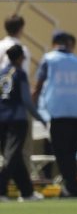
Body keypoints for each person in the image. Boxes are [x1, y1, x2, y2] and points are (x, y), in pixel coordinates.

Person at [31, 31, 77, 198]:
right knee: (72, 151)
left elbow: (39, 85)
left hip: (58, 112)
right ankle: (73, 186)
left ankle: (72, 187)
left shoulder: (49, 59)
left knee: (61, 153)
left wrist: (32, 106)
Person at [0, 44, 40, 201]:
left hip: (1, 119)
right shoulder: (20, 73)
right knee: (12, 155)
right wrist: (39, 117)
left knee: (13, 156)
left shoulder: (2, 73)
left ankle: (27, 191)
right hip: (17, 119)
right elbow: (27, 100)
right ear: (19, 58)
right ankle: (0, 189)